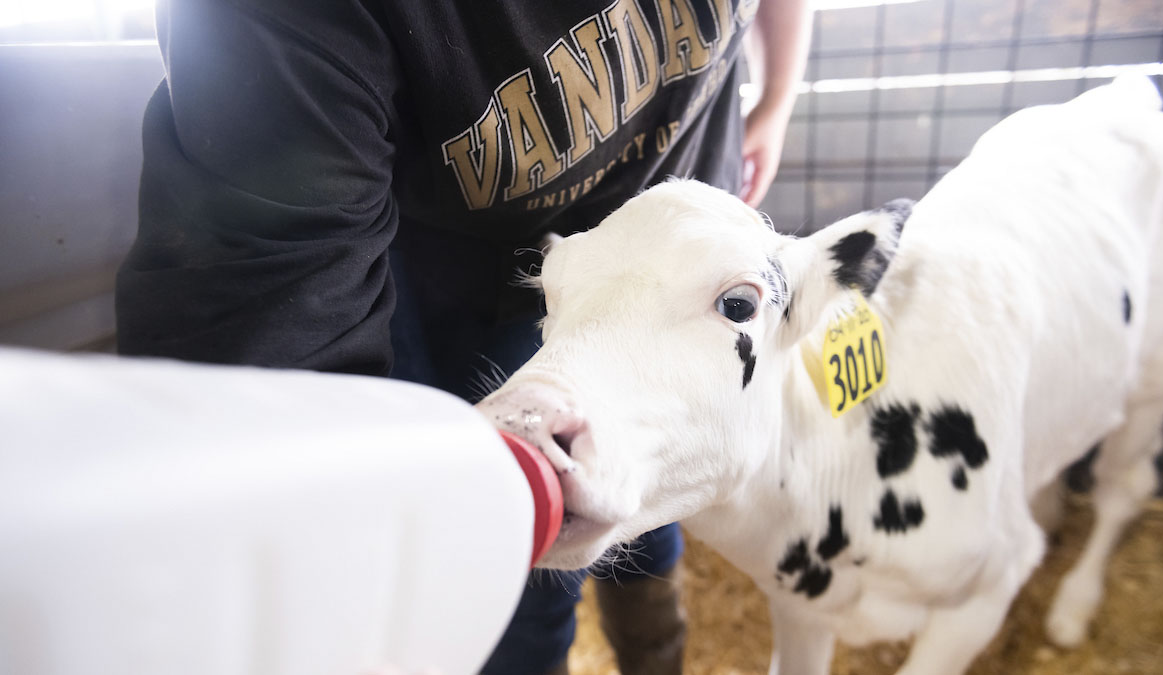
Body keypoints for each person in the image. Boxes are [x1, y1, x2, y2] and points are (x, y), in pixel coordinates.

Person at [116, 1, 810, 673]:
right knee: (525, 556)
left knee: (647, 495)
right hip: (504, 285)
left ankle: (656, 653)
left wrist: (778, 97)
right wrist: (314, 595)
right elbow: (262, 323)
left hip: (691, 244)